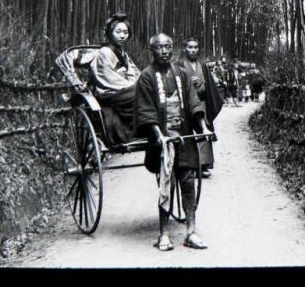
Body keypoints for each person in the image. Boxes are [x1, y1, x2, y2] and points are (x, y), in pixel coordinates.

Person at [134, 33, 213, 251]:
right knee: (166, 186)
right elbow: (146, 110)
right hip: (162, 138)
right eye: (159, 47)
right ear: (152, 50)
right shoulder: (147, 77)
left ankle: (191, 232)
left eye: (168, 46)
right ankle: (163, 234)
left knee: (188, 182)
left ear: (173, 48)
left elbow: (194, 103)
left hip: (183, 134)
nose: (164, 51)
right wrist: (158, 134)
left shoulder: (183, 73)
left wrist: (203, 128)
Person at [89, 13, 140, 142]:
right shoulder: (104, 52)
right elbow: (108, 78)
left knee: (145, 89)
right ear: (110, 33)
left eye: (125, 32)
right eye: (118, 32)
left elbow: (135, 73)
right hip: (110, 92)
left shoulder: (123, 54)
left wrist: (137, 82)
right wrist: (131, 85)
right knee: (140, 92)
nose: (122, 36)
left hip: (123, 91)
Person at [177, 38, 223, 178]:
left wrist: (201, 87)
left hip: (202, 103)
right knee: (187, 133)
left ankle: (203, 165)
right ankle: (188, 165)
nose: (193, 50)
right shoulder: (178, 65)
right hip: (186, 105)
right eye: (190, 47)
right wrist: (188, 83)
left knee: (204, 133)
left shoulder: (202, 66)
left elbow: (209, 86)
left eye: (195, 47)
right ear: (185, 48)